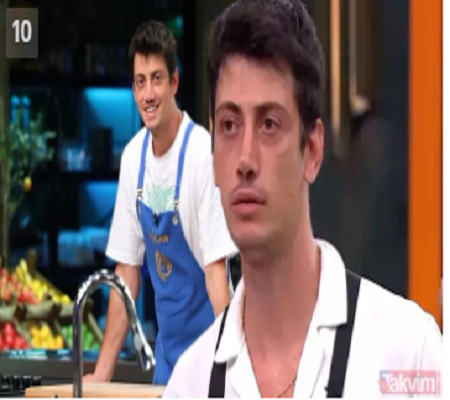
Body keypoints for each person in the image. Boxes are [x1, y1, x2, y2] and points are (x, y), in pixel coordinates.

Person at [163, 0, 443, 397]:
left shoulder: (407, 354)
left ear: (311, 150)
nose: (245, 160)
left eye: (269, 124)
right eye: (229, 125)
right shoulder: (190, 384)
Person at [85, 20, 237, 385]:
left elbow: (217, 276)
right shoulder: (133, 159)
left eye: (156, 79)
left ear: (174, 82)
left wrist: (234, 372)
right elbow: (126, 276)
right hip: (169, 361)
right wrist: (101, 376)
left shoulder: (202, 154)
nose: (148, 93)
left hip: (211, 355)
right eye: (140, 82)